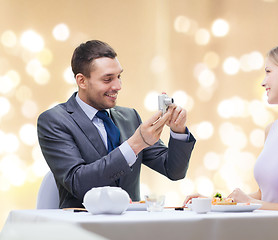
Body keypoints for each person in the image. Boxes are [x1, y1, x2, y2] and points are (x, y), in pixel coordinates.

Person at [37, 40, 196, 209]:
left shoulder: (129, 117)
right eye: (108, 79)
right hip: (83, 228)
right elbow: (78, 183)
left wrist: (178, 131)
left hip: (132, 227)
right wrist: (135, 144)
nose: (118, 86)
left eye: (119, 77)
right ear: (82, 81)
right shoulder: (54, 121)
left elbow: (174, 171)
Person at [184, 41, 278, 217]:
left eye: (268, 72)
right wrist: (213, 202)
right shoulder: (272, 129)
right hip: (266, 228)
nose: (263, 82)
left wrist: (247, 202)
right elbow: (266, 196)